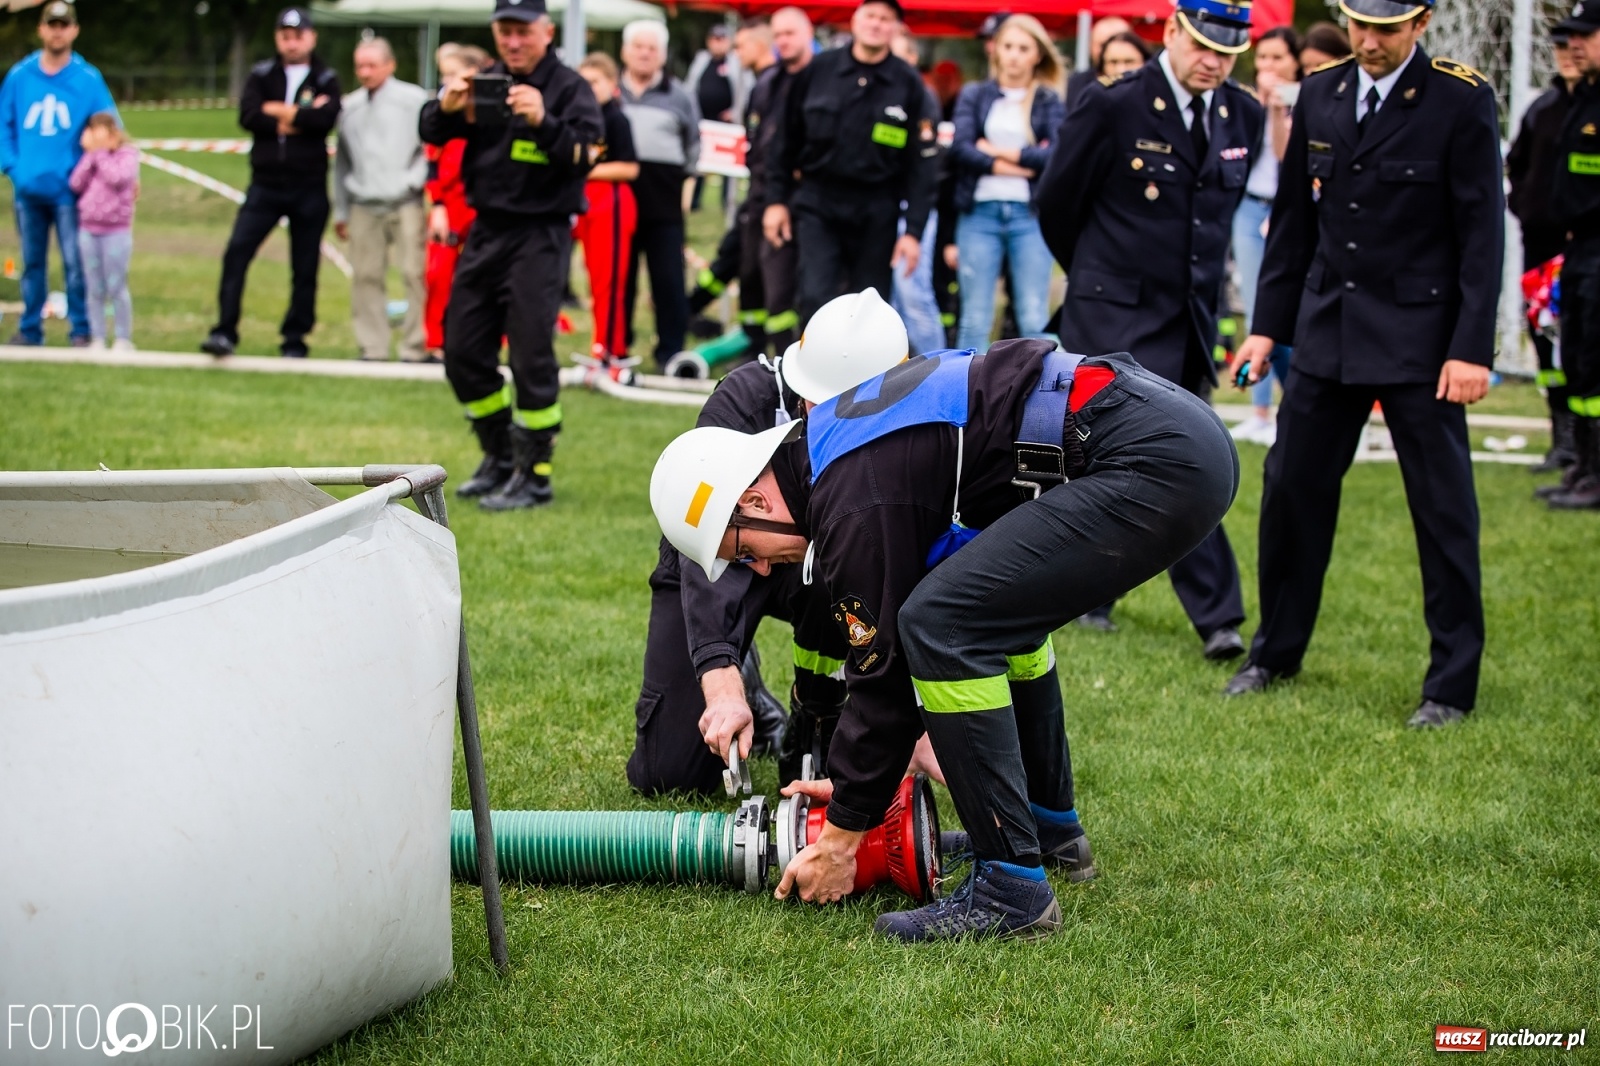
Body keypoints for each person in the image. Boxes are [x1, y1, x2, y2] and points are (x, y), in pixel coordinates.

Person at [650, 339, 1238, 941]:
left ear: (752, 499)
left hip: (1151, 456)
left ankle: (1013, 889)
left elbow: (883, 676)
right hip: (1163, 430)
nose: (765, 569)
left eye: (747, 550)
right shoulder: (830, 447)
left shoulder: (850, 497)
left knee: (941, 623)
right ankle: (1051, 832)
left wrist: (842, 834)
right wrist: (862, 791)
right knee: (977, 609)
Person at [1225, 0, 1504, 726]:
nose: (1368, 41)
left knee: (1443, 513)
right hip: (1328, 332)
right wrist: (1265, 329)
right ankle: (1274, 652)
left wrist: (1472, 347)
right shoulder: (1322, 90)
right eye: (1357, 25)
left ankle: (1450, 685)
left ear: (1422, 23)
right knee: (1291, 494)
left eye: (1385, 28)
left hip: (1422, 340)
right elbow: (1291, 225)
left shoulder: (1462, 97)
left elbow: (1482, 234)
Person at [1037, 0, 1262, 659]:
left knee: (1182, 460)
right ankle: (1210, 614)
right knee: (1122, 460)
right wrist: (1096, 277)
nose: (1213, 60)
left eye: (1227, 51)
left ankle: (1105, 595)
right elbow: (1057, 202)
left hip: (1189, 319)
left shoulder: (1240, 113)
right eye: (1202, 45)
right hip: (1115, 317)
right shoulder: (1113, 104)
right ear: (1170, 32)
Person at [629, 290, 908, 796]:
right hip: (715, 558)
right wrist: (719, 677)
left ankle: (816, 708)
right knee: (668, 774)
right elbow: (705, 551)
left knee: (832, 557)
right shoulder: (744, 402)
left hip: (815, 567)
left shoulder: (902, 424)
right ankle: (745, 678)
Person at [419, 0, 604, 510]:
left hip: (540, 235)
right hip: (485, 231)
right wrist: (446, 107)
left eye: (523, 31)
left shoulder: (569, 87)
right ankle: (499, 455)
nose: (514, 41)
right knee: (461, 352)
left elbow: (589, 155)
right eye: (505, 31)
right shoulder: (486, 81)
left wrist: (545, 121)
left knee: (529, 354)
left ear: (546, 31)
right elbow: (431, 131)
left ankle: (535, 474)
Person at [763, 0, 938, 329]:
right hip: (818, 203)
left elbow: (923, 167)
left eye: (885, 19)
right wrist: (775, 201)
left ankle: (865, 381)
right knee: (816, 295)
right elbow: (783, 142)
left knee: (869, 305)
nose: (876, 24)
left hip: (877, 209)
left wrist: (913, 231)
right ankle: (812, 376)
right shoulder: (817, 71)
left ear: (896, 29)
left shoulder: (909, 84)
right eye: (870, 15)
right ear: (855, 20)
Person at [199, 7, 338, 360]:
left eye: (298, 36)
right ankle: (225, 329)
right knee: (237, 253)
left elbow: (323, 119)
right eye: (285, 36)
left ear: (311, 37)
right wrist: (291, 116)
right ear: (278, 38)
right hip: (265, 184)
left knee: (304, 265)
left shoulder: (325, 78)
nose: (291, 43)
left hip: (308, 184)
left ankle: (295, 337)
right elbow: (248, 115)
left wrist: (277, 111)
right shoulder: (261, 74)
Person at [0, 0, 115, 349]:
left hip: (69, 190)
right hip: (28, 188)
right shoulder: (20, 76)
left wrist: (99, 171)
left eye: (64, 25)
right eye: (52, 24)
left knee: (74, 261)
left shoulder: (88, 79)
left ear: (75, 30)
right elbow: (4, 127)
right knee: (32, 263)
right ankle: (30, 328)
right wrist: (14, 168)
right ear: (41, 29)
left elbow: (109, 130)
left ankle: (80, 328)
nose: (57, 31)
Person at [949, 14, 1066, 354]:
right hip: (979, 213)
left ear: (1037, 55)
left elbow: (1055, 154)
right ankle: (969, 397)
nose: (1014, 55)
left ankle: (1051, 394)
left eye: (1023, 48)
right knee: (975, 317)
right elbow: (962, 147)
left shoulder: (1047, 100)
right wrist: (1020, 163)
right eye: (1008, 47)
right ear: (996, 51)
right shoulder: (976, 94)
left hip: (1028, 216)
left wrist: (994, 151)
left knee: (1033, 313)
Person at [333, 37, 430, 364]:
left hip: (405, 201)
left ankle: (415, 346)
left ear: (390, 65)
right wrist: (342, 208)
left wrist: (413, 183)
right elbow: (343, 161)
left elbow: (429, 149)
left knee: (414, 273)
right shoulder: (350, 107)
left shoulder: (413, 100)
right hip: (364, 201)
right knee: (365, 275)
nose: (365, 72)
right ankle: (372, 347)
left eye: (372, 65)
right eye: (360, 65)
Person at [1510, 32, 1580, 476]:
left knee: (1582, 351)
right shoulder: (1544, 109)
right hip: (1540, 250)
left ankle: (1587, 452)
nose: (1569, 53)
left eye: (1580, 42)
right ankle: (1563, 440)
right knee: (1545, 346)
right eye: (1561, 44)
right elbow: (1516, 166)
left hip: (1584, 251)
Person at [1229, 26, 1302, 447]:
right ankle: (1259, 409)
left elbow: (1283, 156)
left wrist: (1278, 110)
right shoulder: (1245, 104)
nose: (1268, 67)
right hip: (1249, 208)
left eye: (1277, 58)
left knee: (1282, 311)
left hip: (1285, 212)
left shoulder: (1307, 101)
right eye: (1262, 58)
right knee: (1257, 311)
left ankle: (1292, 402)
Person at [619, 20, 700, 370]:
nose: (644, 53)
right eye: (638, 46)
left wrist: (686, 189)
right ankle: (616, 347)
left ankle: (670, 350)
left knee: (668, 279)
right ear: (625, 51)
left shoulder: (680, 95)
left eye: (652, 48)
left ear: (663, 55)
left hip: (663, 199)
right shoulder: (609, 92)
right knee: (620, 276)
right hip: (620, 198)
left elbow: (693, 144)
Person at [1546, 4, 1600, 510]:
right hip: (1578, 252)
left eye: (1586, 35)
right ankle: (1583, 464)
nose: (1574, 45)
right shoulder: (1579, 99)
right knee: (1580, 364)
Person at [738, 6, 814, 358]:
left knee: (796, 284)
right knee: (756, 273)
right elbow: (757, 137)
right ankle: (757, 354)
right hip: (763, 192)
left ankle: (795, 358)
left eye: (790, 33)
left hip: (806, 196)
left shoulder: (819, 79)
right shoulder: (767, 84)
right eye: (778, 34)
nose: (783, 41)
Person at [423, 43, 488, 365]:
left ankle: (486, 342)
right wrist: (437, 206)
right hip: (448, 207)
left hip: (480, 204)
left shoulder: (487, 116)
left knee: (482, 277)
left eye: (455, 74)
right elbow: (431, 160)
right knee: (438, 274)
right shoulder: (444, 116)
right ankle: (435, 342)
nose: (448, 81)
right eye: (445, 75)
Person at [573, 53, 639, 366]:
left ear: (611, 85)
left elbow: (629, 168)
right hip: (582, 200)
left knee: (609, 278)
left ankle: (611, 348)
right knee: (591, 278)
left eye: (594, 82)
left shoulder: (616, 119)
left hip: (610, 200)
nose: (587, 89)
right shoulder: (578, 118)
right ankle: (599, 343)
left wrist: (583, 170)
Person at [888, 27, 947, 356]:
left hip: (913, 210)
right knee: (890, 300)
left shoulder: (922, 98)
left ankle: (940, 370)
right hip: (880, 209)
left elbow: (926, 165)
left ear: (913, 57)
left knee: (914, 295)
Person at [67, 111, 137, 351]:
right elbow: (75, 183)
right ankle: (97, 335)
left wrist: (99, 153)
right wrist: (90, 156)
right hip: (88, 229)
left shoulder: (126, 155)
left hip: (116, 231)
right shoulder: (91, 157)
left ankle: (122, 337)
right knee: (93, 286)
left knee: (116, 285)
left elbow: (117, 178)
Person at [685, 23, 741, 212]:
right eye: (714, 39)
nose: (717, 44)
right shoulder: (701, 60)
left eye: (721, 39)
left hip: (727, 125)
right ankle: (694, 201)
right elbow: (691, 87)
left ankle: (728, 200)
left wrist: (735, 111)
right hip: (702, 121)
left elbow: (746, 89)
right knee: (699, 161)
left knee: (727, 165)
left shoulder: (736, 62)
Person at [1065, 16, 1133, 103]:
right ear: (1090, 46)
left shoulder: (1144, 83)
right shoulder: (1077, 82)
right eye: (1102, 45)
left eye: (1116, 43)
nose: (1108, 51)